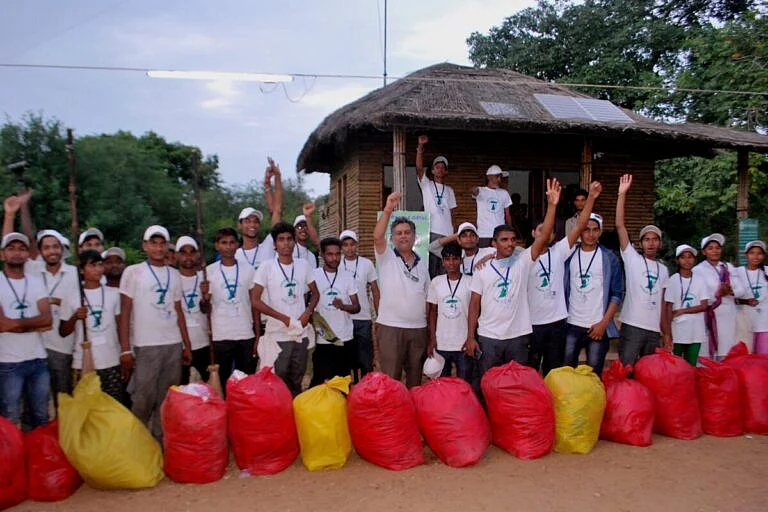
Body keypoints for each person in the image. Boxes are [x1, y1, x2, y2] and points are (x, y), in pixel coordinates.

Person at [465, 179, 561, 378]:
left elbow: (542, 238)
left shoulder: (523, 262)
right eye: (504, 240)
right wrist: (470, 337)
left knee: (516, 384)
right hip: (489, 337)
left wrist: (552, 206)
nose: (509, 244)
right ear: (493, 243)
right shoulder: (482, 268)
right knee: (489, 383)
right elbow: (474, 305)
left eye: (513, 240)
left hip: (518, 337)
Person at [118, 225, 192, 440]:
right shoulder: (133, 272)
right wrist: (125, 349)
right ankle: (138, 442)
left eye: (162, 244)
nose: (158, 248)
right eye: (153, 243)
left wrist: (186, 345)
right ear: (145, 246)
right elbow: (125, 312)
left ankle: (160, 443)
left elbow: (179, 311)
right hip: (145, 344)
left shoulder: (174, 274)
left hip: (172, 343)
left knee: (166, 397)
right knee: (142, 397)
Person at [528, 181, 602, 376]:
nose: (546, 234)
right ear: (532, 233)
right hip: (532, 324)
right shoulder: (524, 257)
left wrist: (592, 198)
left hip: (558, 323)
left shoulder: (559, 251)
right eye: (541, 230)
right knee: (532, 371)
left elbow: (580, 226)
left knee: (555, 373)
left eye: (550, 230)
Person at [252, 221, 320, 396]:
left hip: (299, 332)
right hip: (278, 333)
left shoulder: (303, 265)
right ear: (274, 244)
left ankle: (295, 413)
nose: (286, 243)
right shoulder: (266, 267)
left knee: (297, 377)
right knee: (278, 378)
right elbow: (255, 300)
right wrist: (283, 318)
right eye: (281, 239)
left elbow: (315, 294)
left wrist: (307, 313)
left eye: (289, 239)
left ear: (295, 241)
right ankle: (280, 415)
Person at [373, 192, 430, 388]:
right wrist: (388, 209)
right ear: (393, 238)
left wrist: (429, 331)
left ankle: (411, 415)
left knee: (415, 380)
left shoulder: (423, 265)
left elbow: (427, 299)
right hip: (391, 327)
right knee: (390, 380)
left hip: (418, 330)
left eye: (407, 232)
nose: (403, 236)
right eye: (399, 233)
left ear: (415, 236)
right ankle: (391, 417)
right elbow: (377, 236)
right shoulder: (386, 256)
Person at [615, 174, 670, 365]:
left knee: (649, 375)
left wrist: (666, 333)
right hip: (632, 326)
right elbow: (620, 226)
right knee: (625, 370)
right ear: (640, 243)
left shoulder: (663, 270)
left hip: (653, 330)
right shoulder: (632, 259)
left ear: (660, 243)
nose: (651, 243)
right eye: (647, 239)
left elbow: (663, 304)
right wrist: (622, 194)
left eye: (655, 239)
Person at [0, 232, 52, 428]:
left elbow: (48, 320)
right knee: (10, 417)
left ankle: (36, 457)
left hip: (38, 359)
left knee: (40, 416)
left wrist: (15, 324)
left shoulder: (36, 282)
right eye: (11, 248)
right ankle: (11, 458)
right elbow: (1, 325)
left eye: (22, 249)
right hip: (8, 362)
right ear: (2, 254)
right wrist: (33, 324)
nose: (17, 253)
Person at [563, 213, 624, 377]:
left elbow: (616, 294)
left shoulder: (610, 258)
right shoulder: (568, 256)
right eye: (586, 230)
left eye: (595, 230)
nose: (591, 234)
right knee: (567, 373)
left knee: (594, 375)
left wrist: (604, 323)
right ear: (580, 231)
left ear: (600, 231)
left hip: (597, 326)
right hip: (571, 324)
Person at [60, 250, 124, 401]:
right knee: (85, 406)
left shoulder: (113, 293)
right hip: (83, 361)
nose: (97, 269)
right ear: (82, 270)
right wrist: (75, 317)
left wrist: (124, 353)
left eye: (100, 265)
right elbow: (63, 331)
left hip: (111, 360)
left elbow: (120, 327)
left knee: (112, 406)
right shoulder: (71, 296)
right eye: (92, 265)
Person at [204, 228, 258, 390]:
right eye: (223, 243)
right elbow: (204, 308)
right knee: (222, 380)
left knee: (245, 380)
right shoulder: (209, 271)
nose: (228, 247)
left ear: (237, 245)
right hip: (221, 336)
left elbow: (254, 304)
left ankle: (243, 413)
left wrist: (257, 334)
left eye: (232, 242)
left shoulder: (248, 270)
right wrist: (204, 297)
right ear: (217, 246)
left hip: (245, 334)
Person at [310, 237, 360, 386]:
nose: (334, 258)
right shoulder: (313, 275)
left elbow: (357, 307)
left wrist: (343, 306)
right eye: (330, 254)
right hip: (323, 337)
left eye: (338, 254)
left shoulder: (348, 276)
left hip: (344, 337)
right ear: (322, 255)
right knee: (321, 382)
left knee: (342, 382)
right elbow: (306, 301)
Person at [693, 233, 745, 359]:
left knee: (726, 352)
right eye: (710, 248)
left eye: (717, 248)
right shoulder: (697, 270)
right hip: (710, 316)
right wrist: (718, 294)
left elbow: (741, 290)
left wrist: (730, 291)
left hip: (729, 316)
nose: (715, 251)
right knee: (708, 353)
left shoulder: (728, 267)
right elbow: (698, 294)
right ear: (704, 252)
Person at [427, 242, 473, 382]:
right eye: (447, 259)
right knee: (442, 383)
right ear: (442, 262)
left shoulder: (471, 281)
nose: (451, 263)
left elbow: (475, 311)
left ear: (461, 260)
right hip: (442, 342)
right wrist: (432, 339)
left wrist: (471, 338)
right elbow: (432, 312)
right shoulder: (436, 282)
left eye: (455, 258)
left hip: (463, 342)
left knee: (464, 383)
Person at [339, 229, 379, 381]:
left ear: (356, 245)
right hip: (343, 318)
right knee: (345, 360)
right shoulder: (337, 264)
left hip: (363, 318)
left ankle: (365, 392)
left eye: (352, 244)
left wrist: (378, 314)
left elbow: (375, 289)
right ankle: (347, 392)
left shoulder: (366, 264)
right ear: (341, 247)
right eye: (345, 245)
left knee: (365, 360)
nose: (349, 248)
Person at [415, 135, 458, 277]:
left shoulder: (450, 190)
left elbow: (453, 213)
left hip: (448, 233)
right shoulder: (426, 184)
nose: (440, 169)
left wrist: (455, 233)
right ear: (432, 171)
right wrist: (420, 148)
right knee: (432, 269)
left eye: (443, 168)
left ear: (446, 172)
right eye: (437, 167)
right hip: (432, 232)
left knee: (446, 267)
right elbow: (419, 168)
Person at [663, 245, 710, 366]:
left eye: (690, 257)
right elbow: (668, 307)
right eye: (683, 257)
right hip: (678, 331)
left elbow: (704, 305)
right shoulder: (673, 280)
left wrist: (682, 311)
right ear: (677, 260)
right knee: (676, 365)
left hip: (695, 331)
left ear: (694, 259)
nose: (687, 260)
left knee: (691, 364)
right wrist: (667, 333)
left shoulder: (700, 280)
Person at [234, 158, 283, 271]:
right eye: (247, 221)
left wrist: (275, 179)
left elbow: (277, 211)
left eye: (256, 221)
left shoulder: (268, 246)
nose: (252, 224)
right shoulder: (233, 255)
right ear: (239, 225)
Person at [176, 236, 211, 385]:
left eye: (192, 252)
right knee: (183, 386)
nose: (188, 256)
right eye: (183, 252)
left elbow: (207, 310)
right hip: (181, 344)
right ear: (177, 255)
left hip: (203, 341)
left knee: (206, 385)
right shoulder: (172, 279)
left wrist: (205, 299)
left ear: (197, 255)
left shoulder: (203, 278)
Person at [735, 240, 768, 355]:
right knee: (746, 356)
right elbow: (731, 298)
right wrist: (745, 301)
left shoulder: (767, 272)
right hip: (744, 321)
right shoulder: (737, 272)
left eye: (759, 253)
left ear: (764, 256)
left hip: (764, 323)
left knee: (764, 357)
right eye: (752, 253)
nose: (756, 256)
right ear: (746, 255)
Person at [429, 222, 494, 278]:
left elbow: (502, 253)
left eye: (472, 235)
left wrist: (486, 258)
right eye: (464, 236)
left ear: (477, 239)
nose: (469, 239)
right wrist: (455, 235)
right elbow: (432, 247)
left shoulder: (488, 251)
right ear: (458, 240)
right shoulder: (455, 256)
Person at [471, 165, 513, 247]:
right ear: (489, 177)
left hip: (500, 233)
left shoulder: (504, 193)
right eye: (497, 177)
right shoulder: (481, 191)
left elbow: (507, 215)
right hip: (483, 233)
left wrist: (510, 231)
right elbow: (474, 192)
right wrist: (475, 190)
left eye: (500, 177)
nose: (499, 179)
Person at [293, 205, 319, 269]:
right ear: (294, 231)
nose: (303, 229)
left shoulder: (311, 256)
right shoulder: (288, 250)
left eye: (306, 226)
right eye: (299, 227)